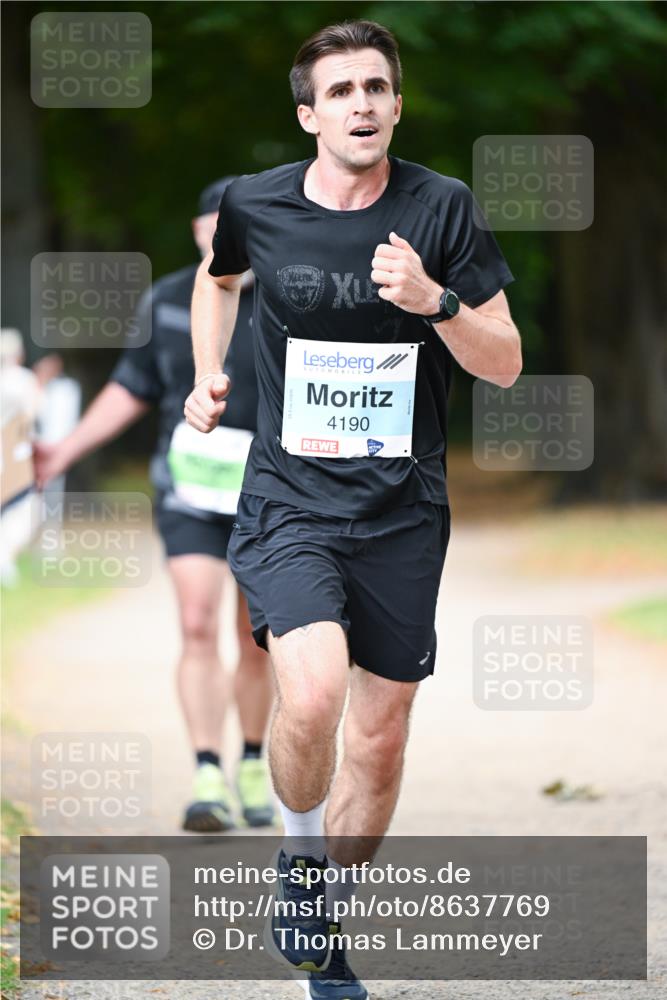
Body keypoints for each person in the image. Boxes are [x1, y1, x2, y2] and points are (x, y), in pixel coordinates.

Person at [185, 21, 521, 998]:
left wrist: (435, 301)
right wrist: (208, 377)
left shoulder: (441, 207)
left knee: (376, 742)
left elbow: (503, 362)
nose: (362, 104)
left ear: (397, 104)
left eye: (377, 86)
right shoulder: (256, 203)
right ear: (309, 113)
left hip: (404, 509)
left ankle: (324, 931)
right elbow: (220, 286)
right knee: (316, 692)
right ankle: (296, 859)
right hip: (289, 499)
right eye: (340, 91)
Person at [33, 178, 275, 834]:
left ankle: (253, 761)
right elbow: (129, 387)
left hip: (268, 492)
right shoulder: (168, 300)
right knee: (196, 621)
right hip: (188, 488)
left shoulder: (290, 297)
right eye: (212, 225)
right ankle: (205, 772)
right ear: (199, 232)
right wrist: (61, 451)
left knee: (257, 641)